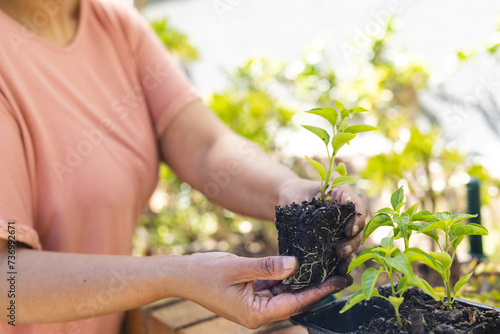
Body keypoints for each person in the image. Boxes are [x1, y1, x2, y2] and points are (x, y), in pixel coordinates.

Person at [0, 0, 367, 333]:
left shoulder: (113, 22)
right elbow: (7, 282)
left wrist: (289, 190)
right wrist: (175, 275)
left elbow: (205, 148)